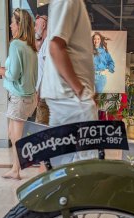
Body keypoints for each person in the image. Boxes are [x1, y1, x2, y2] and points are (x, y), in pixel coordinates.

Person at [41, 0, 98, 164]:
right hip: (71, 97)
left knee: (59, 162)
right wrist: (81, 91)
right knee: (87, 164)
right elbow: (55, 47)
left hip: (64, 95)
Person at [0, 8, 37, 180]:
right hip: (29, 97)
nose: (10, 25)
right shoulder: (31, 48)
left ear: (19, 25)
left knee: (16, 137)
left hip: (19, 97)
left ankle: (17, 170)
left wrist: (0, 70)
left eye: (12, 22)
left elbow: (13, 74)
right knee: (13, 134)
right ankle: (15, 168)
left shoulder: (16, 45)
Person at [34, 14, 49, 125]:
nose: (34, 28)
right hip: (45, 93)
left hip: (45, 94)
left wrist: (38, 93)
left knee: (40, 129)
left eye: (36, 25)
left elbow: (48, 70)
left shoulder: (49, 42)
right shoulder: (46, 43)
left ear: (43, 25)